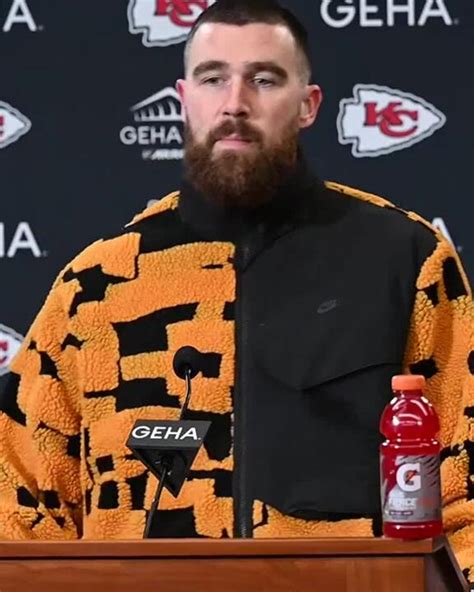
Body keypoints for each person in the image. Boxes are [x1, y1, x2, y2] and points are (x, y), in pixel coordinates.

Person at [0, 0, 473, 584]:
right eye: (212, 78)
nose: (234, 103)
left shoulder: (406, 259)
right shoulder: (97, 284)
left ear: (308, 105)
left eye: (264, 79)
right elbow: (20, 504)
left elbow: (465, 492)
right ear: (183, 98)